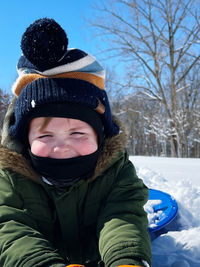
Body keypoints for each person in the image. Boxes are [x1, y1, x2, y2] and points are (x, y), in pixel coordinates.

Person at [0, 18, 151, 267]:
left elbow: (123, 213)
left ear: (100, 136)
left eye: (78, 134)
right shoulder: (10, 176)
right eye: (45, 136)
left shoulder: (114, 169)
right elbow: (8, 226)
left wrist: (126, 257)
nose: (61, 147)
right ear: (25, 140)